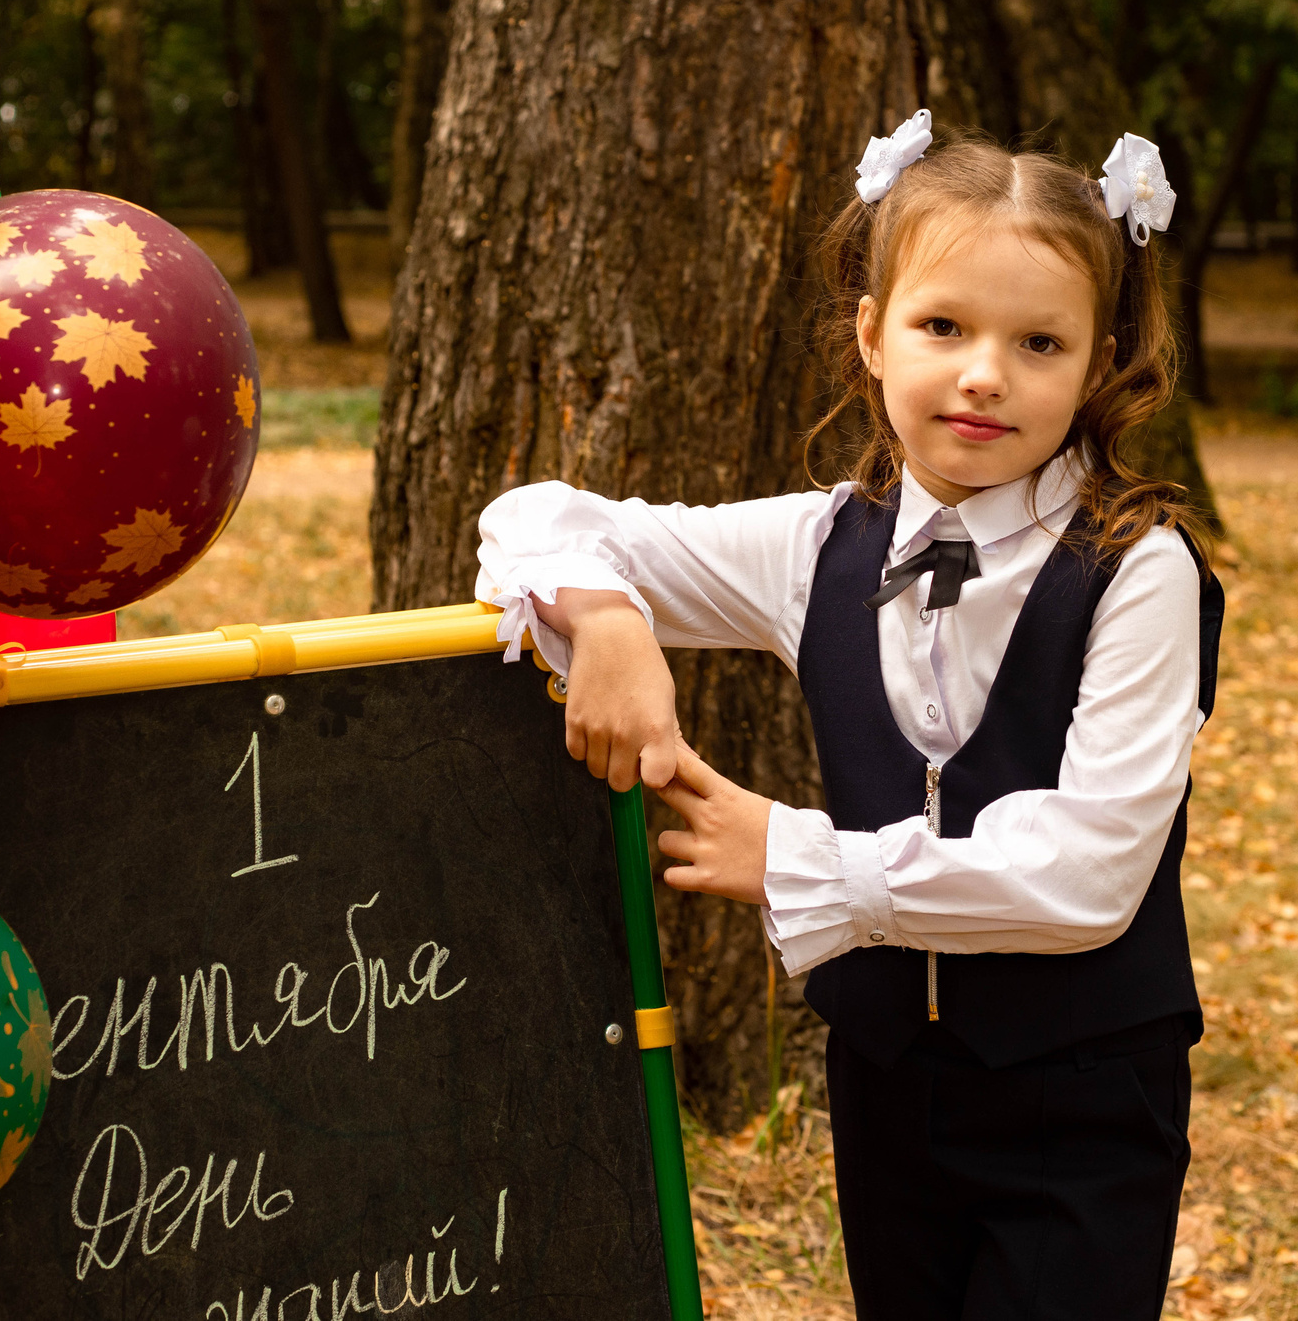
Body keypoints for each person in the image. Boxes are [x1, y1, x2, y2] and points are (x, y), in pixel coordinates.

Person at [475, 111, 1222, 1321]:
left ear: (1100, 362)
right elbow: (532, 517)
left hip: (1083, 1095)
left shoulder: (1138, 570)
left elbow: (1088, 876)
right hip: (886, 1083)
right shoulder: (819, 543)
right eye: (944, 326)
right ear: (872, 335)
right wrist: (610, 623)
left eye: (1039, 341)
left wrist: (796, 858)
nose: (985, 373)